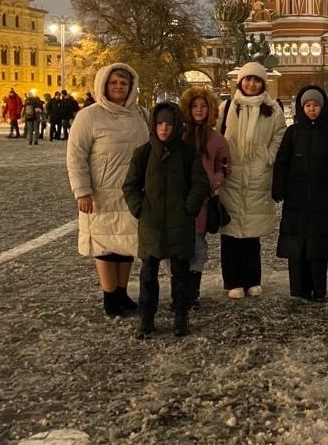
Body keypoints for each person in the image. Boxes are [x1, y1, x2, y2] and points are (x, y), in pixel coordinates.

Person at [66, 64, 149, 317]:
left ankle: (122, 292)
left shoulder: (141, 114)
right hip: (101, 192)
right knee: (104, 245)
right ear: (104, 85)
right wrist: (82, 191)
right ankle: (109, 294)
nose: (118, 87)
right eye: (113, 83)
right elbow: (76, 155)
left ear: (131, 86)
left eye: (123, 83)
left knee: (126, 243)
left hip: (132, 191)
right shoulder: (89, 116)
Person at [123, 102, 210, 338]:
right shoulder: (143, 153)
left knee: (180, 274)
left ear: (176, 127)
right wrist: (139, 208)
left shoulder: (188, 152)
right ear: (153, 125)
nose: (164, 129)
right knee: (148, 274)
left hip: (179, 223)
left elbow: (200, 184)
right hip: (151, 223)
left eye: (169, 125)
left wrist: (189, 207)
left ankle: (181, 317)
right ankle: (147, 319)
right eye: (160, 124)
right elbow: (130, 185)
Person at [216, 61, 287, 299]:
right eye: (248, 79)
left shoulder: (273, 109)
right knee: (231, 232)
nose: (252, 84)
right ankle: (232, 281)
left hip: (258, 173)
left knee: (251, 233)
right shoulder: (226, 107)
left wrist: (268, 157)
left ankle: (252, 279)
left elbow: (279, 134)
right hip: (232, 175)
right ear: (241, 82)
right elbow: (215, 136)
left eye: (257, 80)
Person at [273, 86, 328, 303]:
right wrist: (279, 188)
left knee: (318, 247)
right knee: (297, 246)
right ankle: (299, 289)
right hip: (296, 198)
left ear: (323, 107)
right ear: (302, 108)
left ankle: (319, 289)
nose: (312, 110)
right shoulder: (293, 133)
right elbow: (282, 162)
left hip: (321, 199)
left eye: (316, 105)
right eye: (308, 105)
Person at [179, 86, 230, 306]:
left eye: (203, 106)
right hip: (178, 201)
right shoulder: (178, 135)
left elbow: (225, 166)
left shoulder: (217, 139)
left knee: (197, 248)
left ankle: (193, 291)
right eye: (195, 106)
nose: (199, 110)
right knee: (177, 249)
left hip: (201, 202)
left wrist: (215, 181)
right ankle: (179, 289)